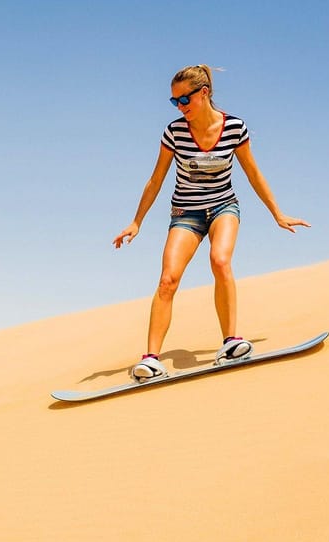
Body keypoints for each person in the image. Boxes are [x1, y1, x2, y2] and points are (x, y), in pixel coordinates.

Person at [113, 64, 310, 381]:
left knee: (220, 260)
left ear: (203, 93)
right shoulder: (174, 133)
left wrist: (277, 213)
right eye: (174, 102)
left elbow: (253, 174)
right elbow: (155, 180)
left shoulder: (234, 128)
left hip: (223, 207)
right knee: (168, 279)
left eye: (184, 100)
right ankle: (150, 360)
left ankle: (231, 342)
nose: (180, 107)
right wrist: (137, 221)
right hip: (185, 213)